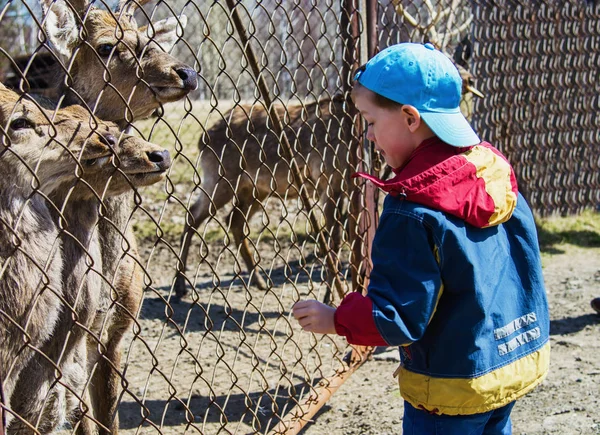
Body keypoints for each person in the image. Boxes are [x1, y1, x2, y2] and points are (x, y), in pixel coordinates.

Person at [292, 42, 550, 435]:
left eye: (371, 122)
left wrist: (336, 319)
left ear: (410, 117)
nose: (370, 137)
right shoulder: (490, 171)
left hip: (450, 388)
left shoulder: (411, 209)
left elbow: (398, 316)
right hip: (507, 365)